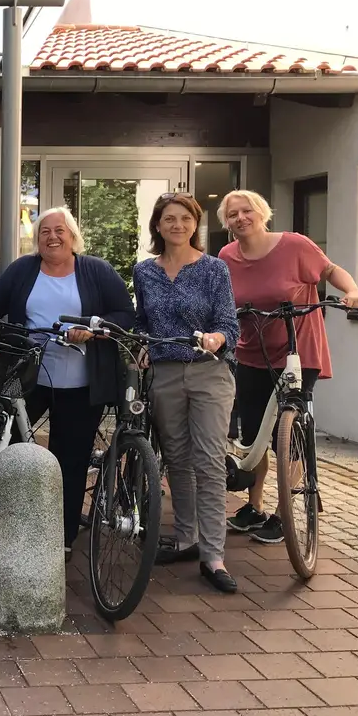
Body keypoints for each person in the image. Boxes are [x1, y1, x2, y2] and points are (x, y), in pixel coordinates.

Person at [0, 206, 136, 552]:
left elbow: (125, 313)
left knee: (70, 460)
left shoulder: (96, 270)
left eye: (59, 231)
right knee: (1, 444)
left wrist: (92, 327)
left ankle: (61, 540)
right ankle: (20, 514)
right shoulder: (25, 268)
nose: (52, 237)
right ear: (37, 239)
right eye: (44, 232)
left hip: (81, 384)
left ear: (72, 236)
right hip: (30, 376)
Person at [217, 190, 358, 545]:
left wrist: (353, 291)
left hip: (298, 352)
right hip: (251, 353)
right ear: (227, 223)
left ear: (262, 212)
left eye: (247, 210)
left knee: (288, 434)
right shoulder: (226, 256)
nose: (241, 218)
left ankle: (285, 512)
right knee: (254, 438)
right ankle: (253, 507)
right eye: (233, 214)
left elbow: (331, 270)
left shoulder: (295, 245)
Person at [132, 192, 240, 593]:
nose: (177, 225)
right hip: (164, 372)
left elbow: (231, 325)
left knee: (209, 461)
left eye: (185, 219)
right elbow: (143, 320)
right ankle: (185, 537)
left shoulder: (215, 270)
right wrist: (142, 343)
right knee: (175, 458)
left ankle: (213, 555)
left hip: (209, 373)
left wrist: (216, 337)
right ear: (157, 226)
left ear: (196, 224)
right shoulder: (144, 272)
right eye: (169, 219)